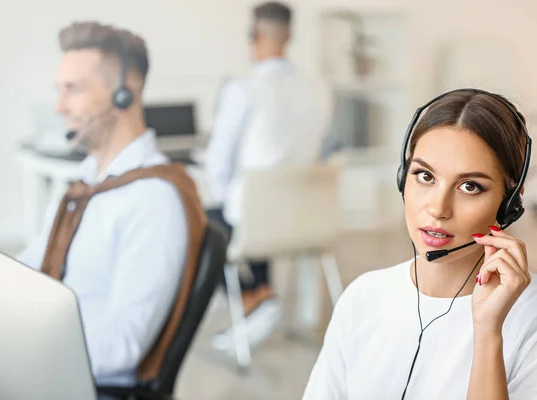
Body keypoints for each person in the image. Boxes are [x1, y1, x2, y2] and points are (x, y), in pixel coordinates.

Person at [303, 89, 537, 399]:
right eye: (424, 176)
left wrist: (488, 333)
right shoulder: (362, 298)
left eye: (469, 186)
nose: (438, 208)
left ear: (510, 202)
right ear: (402, 178)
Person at [17, 21, 196, 388]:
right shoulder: (86, 187)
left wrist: (28, 355)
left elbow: (123, 344)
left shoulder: (152, 199)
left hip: (81, 383)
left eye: (73, 90)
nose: (59, 106)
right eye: (59, 90)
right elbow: (29, 270)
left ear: (123, 96)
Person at [205, 1, 331, 349]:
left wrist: (228, 197)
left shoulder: (243, 89)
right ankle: (262, 295)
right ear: (290, 34)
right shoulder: (318, 88)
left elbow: (218, 163)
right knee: (246, 209)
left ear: (254, 36)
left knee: (197, 224)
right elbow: (321, 151)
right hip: (306, 219)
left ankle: (253, 297)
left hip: (256, 221)